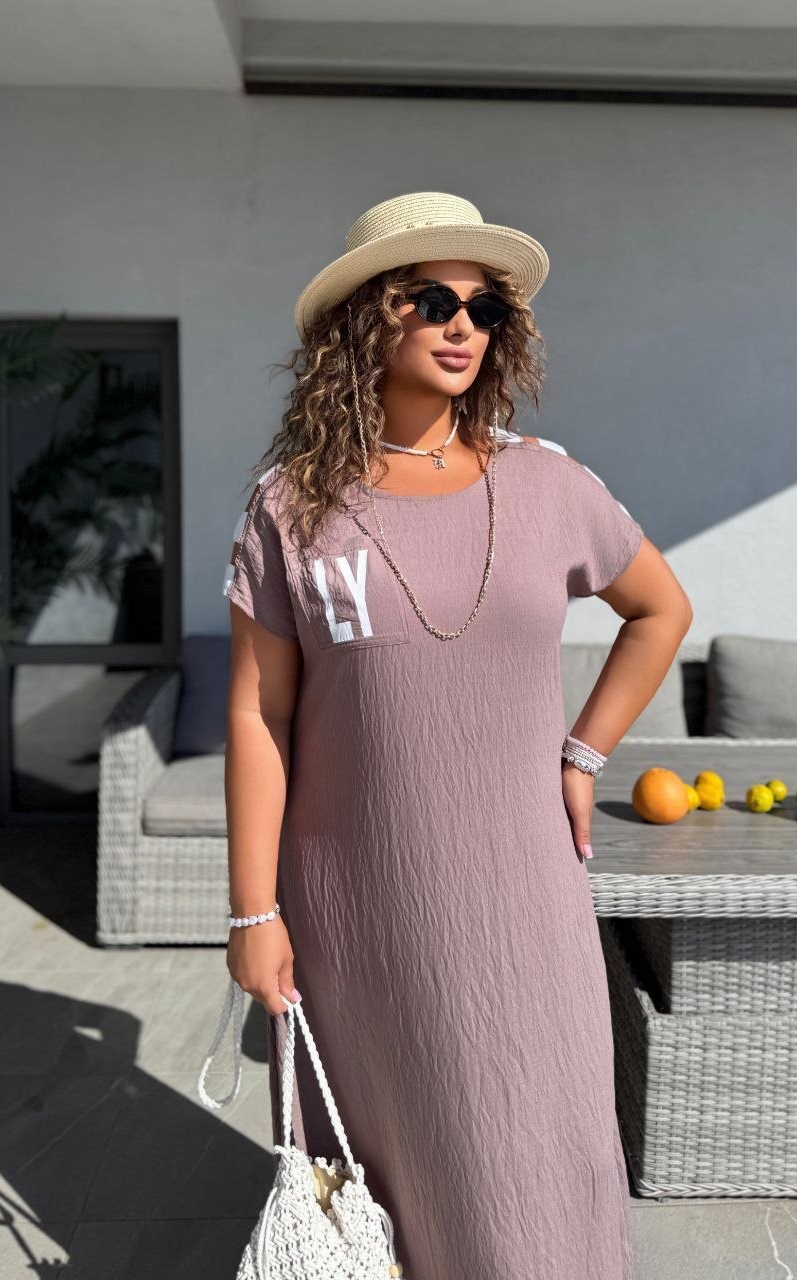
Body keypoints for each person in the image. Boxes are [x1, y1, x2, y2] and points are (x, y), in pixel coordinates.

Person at [221, 191, 693, 1279]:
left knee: (542, 1147)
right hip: (360, 906)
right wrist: (252, 910)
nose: (462, 325)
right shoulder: (291, 507)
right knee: (395, 1165)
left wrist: (583, 753)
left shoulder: (551, 483)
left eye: (485, 309)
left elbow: (661, 610)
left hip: (526, 897)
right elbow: (259, 712)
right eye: (430, 300)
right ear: (365, 320)